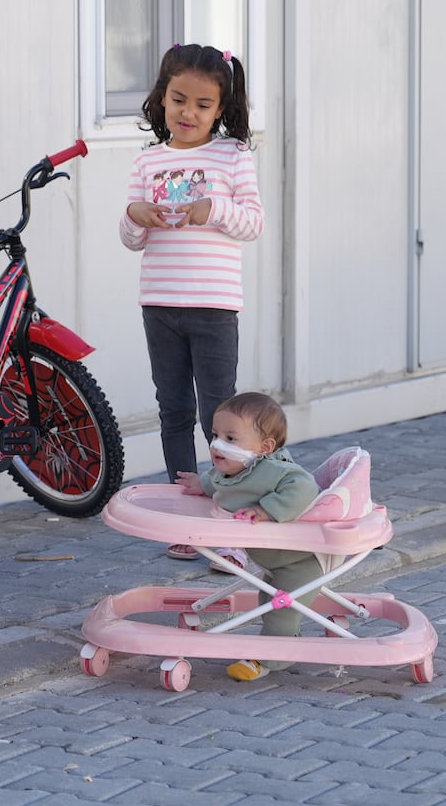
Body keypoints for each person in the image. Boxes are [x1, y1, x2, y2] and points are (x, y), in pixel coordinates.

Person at [118, 43, 265, 566]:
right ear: (161, 99)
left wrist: (214, 208)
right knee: (174, 410)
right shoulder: (148, 160)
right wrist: (137, 213)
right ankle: (183, 515)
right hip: (159, 305)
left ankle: (230, 518)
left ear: (220, 109)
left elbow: (253, 221)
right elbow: (131, 238)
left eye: (203, 105)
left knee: (220, 415)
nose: (188, 113)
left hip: (213, 307)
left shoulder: (233, 155)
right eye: (178, 100)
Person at [175, 392, 321, 682]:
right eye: (216, 434)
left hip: (302, 562)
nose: (217, 444)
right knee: (266, 598)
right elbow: (221, 480)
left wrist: (267, 509)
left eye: (231, 438)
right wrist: (200, 484)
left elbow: (306, 488)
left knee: (282, 607)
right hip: (275, 561)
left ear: (264, 448)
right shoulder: (236, 464)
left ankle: (268, 659)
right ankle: (284, 638)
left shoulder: (274, 471)